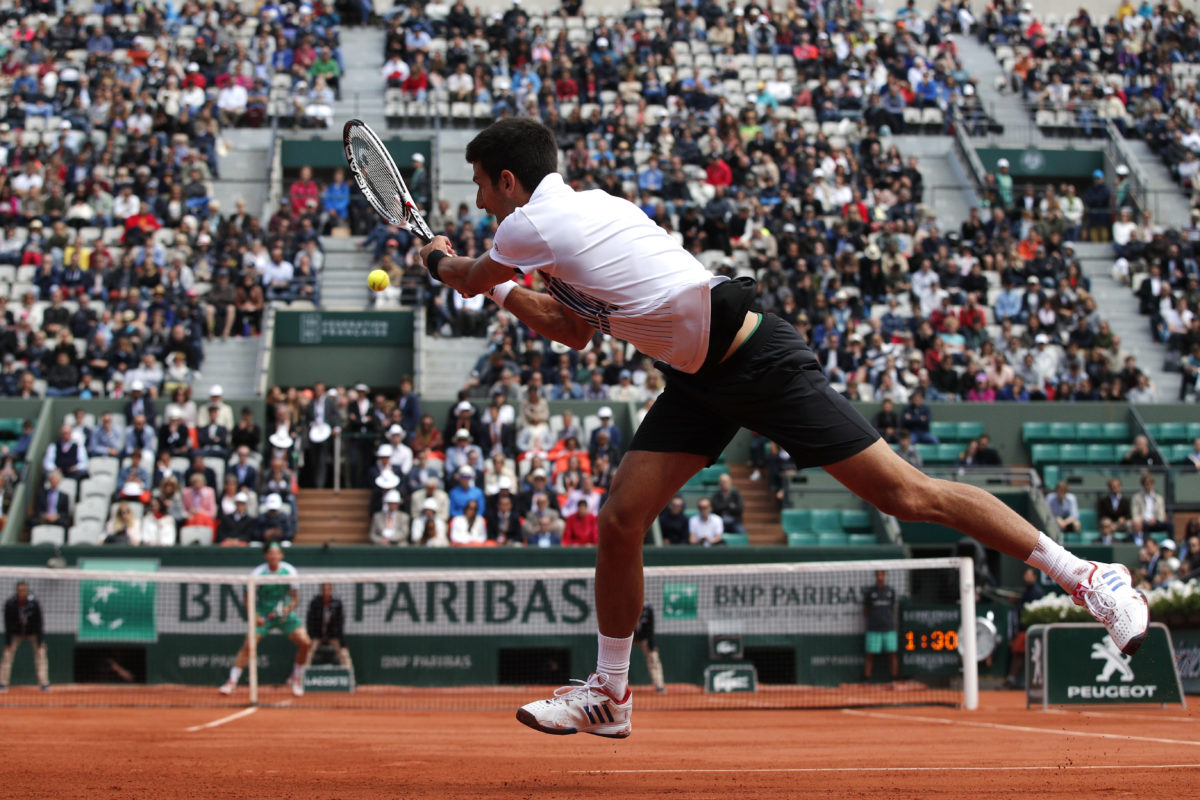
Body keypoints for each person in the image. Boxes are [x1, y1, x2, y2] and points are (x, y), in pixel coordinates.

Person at [420, 118, 1147, 739]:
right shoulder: (567, 224)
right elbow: (574, 330)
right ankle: (611, 695)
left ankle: (1087, 575)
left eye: (483, 188)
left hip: (754, 356)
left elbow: (469, 276)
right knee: (620, 519)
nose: (481, 203)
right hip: (698, 379)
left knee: (905, 494)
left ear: (509, 182)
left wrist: (441, 261)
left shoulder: (530, 222)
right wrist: (505, 286)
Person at [219, 542, 311, 697]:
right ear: (266, 555)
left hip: (285, 615)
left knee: (305, 643)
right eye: (271, 553)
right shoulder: (258, 573)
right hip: (263, 614)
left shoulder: (289, 571)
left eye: (277, 553)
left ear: (281, 555)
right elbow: (248, 599)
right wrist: (255, 616)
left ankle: (295, 679)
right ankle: (232, 682)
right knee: (248, 645)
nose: (274, 556)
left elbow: (295, 598)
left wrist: (288, 608)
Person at [1, 582, 48, 691]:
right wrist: (7, 643)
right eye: (19, 590)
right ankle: (2, 683)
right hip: (16, 633)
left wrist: (41, 641)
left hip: (33, 632)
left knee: (41, 654)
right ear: (17, 591)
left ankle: (44, 683)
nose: (21, 592)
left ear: (26, 591)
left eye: (23, 590)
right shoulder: (10, 603)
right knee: (7, 655)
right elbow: (7, 623)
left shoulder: (34, 603)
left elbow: (39, 622)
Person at [304, 583, 354, 683]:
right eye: (323, 589)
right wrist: (311, 637)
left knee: (344, 654)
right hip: (317, 635)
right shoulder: (315, 602)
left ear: (331, 590)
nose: (325, 592)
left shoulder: (337, 602)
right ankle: (300, 679)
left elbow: (340, 623)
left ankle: (350, 680)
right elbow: (310, 620)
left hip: (333, 635)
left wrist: (342, 642)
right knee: (307, 652)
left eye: (327, 589)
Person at [862, 570, 899, 682]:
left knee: (892, 654)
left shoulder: (890, 591)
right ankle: (866, 680)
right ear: (875, 576)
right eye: (878, 574)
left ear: (885, 576)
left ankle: (894, 679)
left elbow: (892, 609)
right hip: (873, 628)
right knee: (870, 654)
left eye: (882, 574)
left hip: (889, 628)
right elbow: (865, 611)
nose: (880, 577)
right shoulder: (870, 592)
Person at [632, 601, 666, 693]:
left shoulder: (648, 608)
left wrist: (652, 644)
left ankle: (659, 686)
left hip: (645, 639)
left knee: (654, 660)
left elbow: (651, 627)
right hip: (629, 638)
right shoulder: (629, 606)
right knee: (618, 660)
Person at [1131, 473, 1171, 544]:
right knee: (1143, 526)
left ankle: (1171, 543)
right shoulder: (1136, 497)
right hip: (1143, 522)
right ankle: (1146, 544)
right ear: (1143, 484)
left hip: (1156, 522)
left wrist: (1155, 519)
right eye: (1146, 483)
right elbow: (1135, 513)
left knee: (1170, 525)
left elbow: (1161, 514)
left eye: (1150, 483)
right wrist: (1145, 519)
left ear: (1153, 484)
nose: (1148, 485)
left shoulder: (1159, 498)